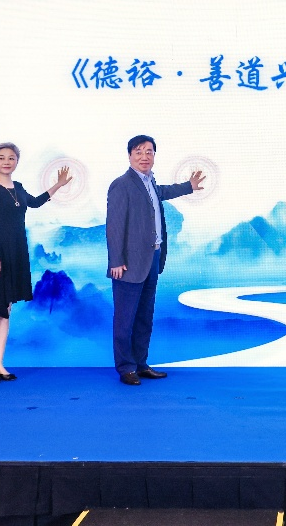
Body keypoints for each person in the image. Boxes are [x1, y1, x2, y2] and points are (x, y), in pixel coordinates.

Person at [106, 135, 204, 385]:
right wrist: (116, 260)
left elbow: (164, 192)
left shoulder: (150, 183)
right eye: (139, 152)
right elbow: (114, 226)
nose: (144, 156)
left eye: (149, 152)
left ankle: (140, 364)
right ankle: (126, 368)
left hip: (152, 259)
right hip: (128, 264)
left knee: (144, 317)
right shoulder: (121, 184)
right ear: (129, 156)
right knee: (125, 319)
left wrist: (189, 186)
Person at [0, 143, 72, 383]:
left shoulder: (18, 188)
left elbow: (36, 202)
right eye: (1, 157)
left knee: (6, 310)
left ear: (17, 161)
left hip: (16, 254)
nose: (6, 161)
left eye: (11, 158)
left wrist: (58, 185)